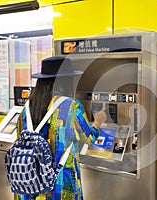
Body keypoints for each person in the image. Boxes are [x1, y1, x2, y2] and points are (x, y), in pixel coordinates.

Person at [15, 56, 107, 200]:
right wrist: (98, 122)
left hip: (29, 186)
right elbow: (90, 138)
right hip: (60, 186)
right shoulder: (71, 106)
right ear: (65, 81)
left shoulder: (26, 109)